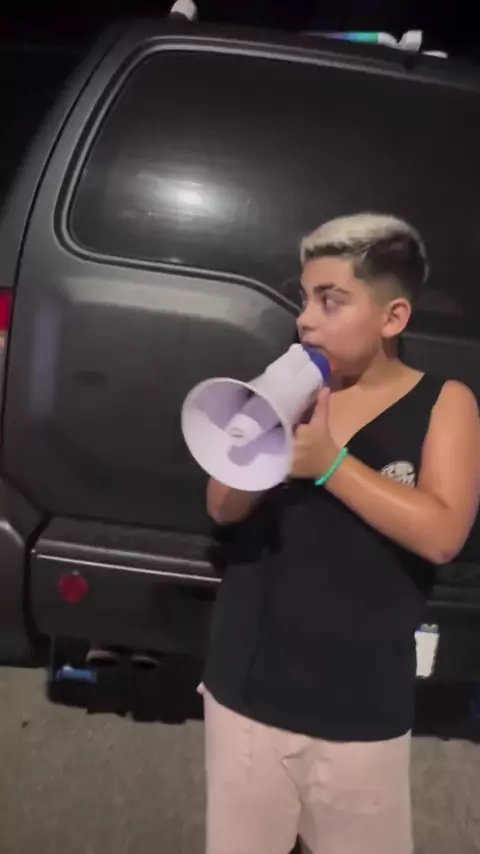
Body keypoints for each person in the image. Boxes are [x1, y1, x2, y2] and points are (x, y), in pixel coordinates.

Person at [199, 212, 480, 854]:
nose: (306, 319)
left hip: (361, 710)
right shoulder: (288, 391)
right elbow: (222, 506)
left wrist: (329, 464)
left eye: (331, 301)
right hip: (246, 693)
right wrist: (266, 430)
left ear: (393, 317)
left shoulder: (445, 402)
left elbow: (442, 534)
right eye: (304, 299)